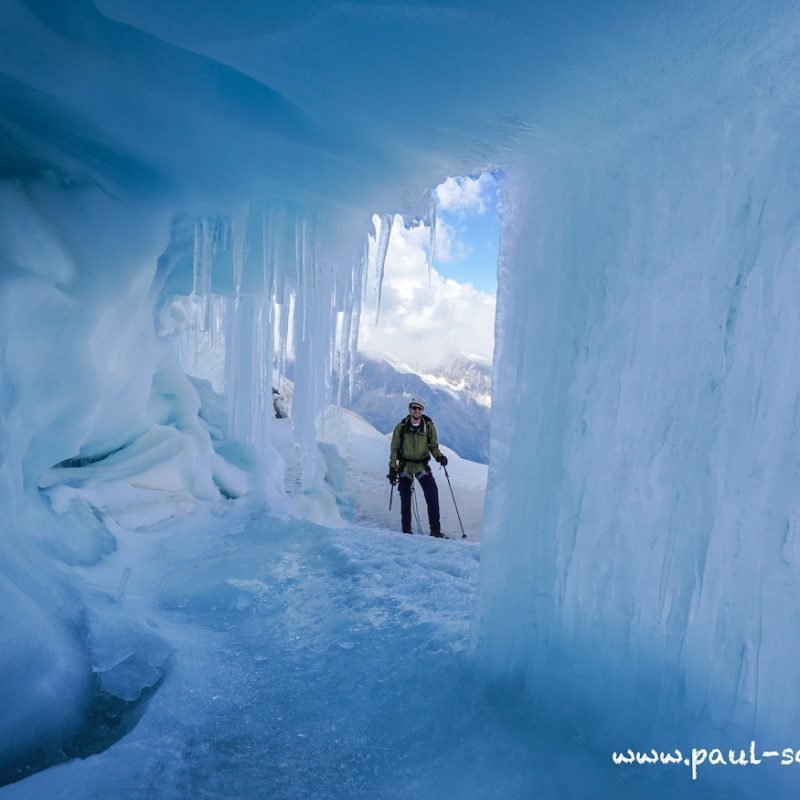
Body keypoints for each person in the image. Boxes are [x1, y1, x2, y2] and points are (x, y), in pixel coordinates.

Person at [387, 397, 448, 537]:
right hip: (405, 467)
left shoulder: (429, 426)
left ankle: (435, 531)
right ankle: (406, 531)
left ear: (422, 410)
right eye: (414, 407)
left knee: (432, 495)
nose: (416, 410)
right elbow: (394, 448)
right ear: (410, 409)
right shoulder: (401, 426)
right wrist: (392, 467)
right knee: (405, 499)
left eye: (419, 408)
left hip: (421, 466)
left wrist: (439, 457)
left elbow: (433, 446)